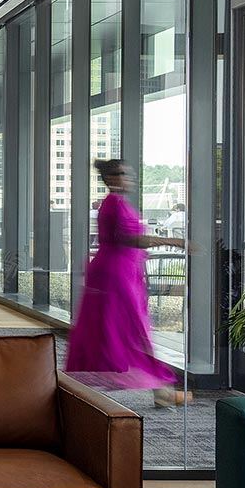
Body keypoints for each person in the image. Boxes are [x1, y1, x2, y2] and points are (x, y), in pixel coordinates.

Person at [64, 159, 188, 407]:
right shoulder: (114, 205)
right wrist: (177, 243)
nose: (128, 178)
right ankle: (160, 389)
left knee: (128, 328)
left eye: (129, 174)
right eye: (123, 174)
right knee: (130, 329)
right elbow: (131, 240)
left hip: (122, 271)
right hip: (115, 274)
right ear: (111, 179)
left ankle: (160, 390)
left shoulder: (117, 203)